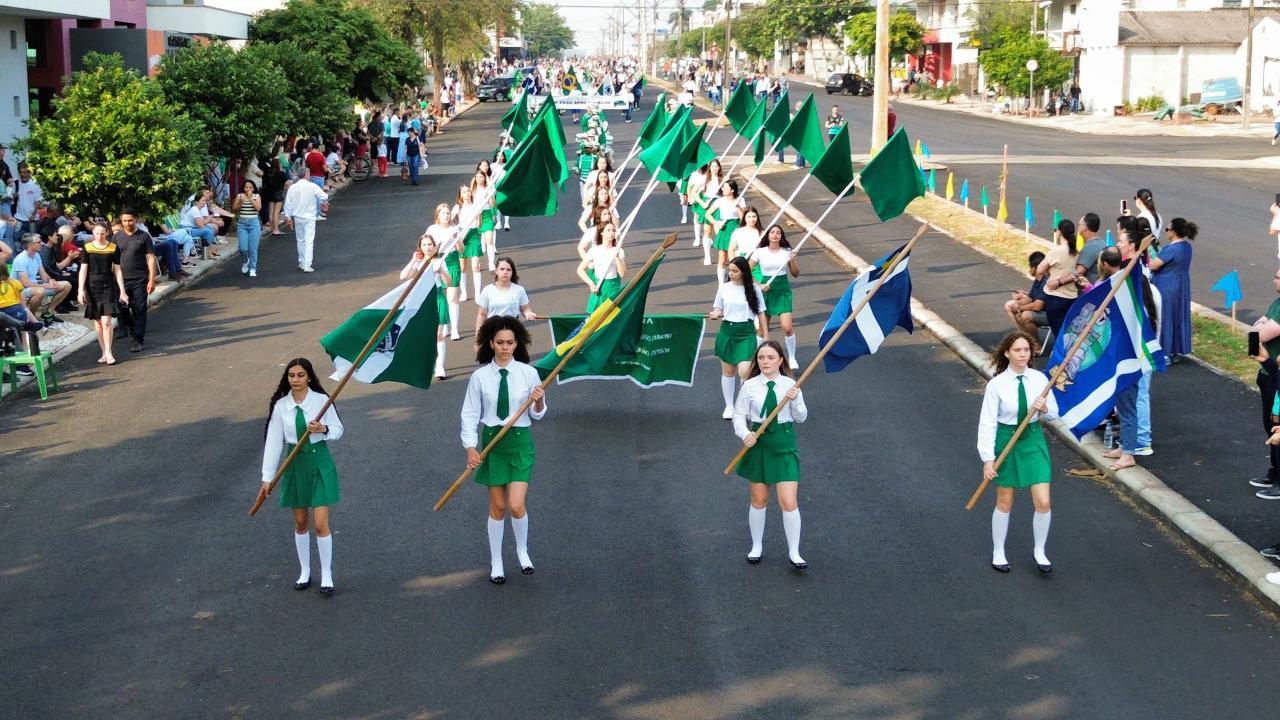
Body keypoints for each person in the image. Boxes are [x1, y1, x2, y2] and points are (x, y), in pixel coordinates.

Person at [460, 316, 548, 584]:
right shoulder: (479, 377)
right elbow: (469, 413)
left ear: (517, 343)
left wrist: (539, 401)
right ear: (491, 343)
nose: (505, 347)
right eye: (500, 342)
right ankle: (496, 561)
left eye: (510, 342)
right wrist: (470, 447)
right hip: (492, 441)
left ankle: (522, 551)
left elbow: (539, 415)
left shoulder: (528, 373)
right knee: (498, 507)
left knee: (516, 505)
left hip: (520, 441)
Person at [257, 358, 344, 595]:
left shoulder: (322, 401)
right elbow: (274, 443)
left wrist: (323, 429)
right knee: (301, 523)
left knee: (320, 524)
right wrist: (267, 478)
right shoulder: (281, 406)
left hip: (319, 464)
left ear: (309, 377)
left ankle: (327, 575)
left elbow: (338, 429)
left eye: (301, 375)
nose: (295, 380)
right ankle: (305, 571)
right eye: (291, 375)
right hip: (295, 465)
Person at [977, 331, 1059, 573]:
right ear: (1007, 353)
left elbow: (1054, 414)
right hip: (1006, 440)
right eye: (1017, 350)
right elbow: (987, 422)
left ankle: (1040, 551)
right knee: (1005, 500)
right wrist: (988, 459)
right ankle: (998, 551)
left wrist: (1044, 408)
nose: (1023, 354)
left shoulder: (1040, 379)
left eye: (1026, 350)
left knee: (1043, 501)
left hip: (1032, 439)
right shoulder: (997, 385)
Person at [733, 340, 809, 568]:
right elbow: (739, 415)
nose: (765, 362)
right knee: (759, 500)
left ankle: (794, 552)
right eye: (761, 358)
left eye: (770, 357)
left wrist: (795, 400)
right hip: (759, 445)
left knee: (789, 501)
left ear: (780, 360)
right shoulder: (749, 386)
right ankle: (756, 546)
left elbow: (801, 418)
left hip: (784, 446)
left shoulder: (791, 384)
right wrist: (745, 434)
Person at [710, 256, 768, 419]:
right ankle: (729, 406)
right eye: (730, 270)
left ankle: (744, 405)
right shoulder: (724, 288)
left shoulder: (754, 289)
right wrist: (716, 313)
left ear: (743, 272)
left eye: (735, 271)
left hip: (747, 333)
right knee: (728, 371)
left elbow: (761, 313)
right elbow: (718, 307)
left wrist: (765, 336)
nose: (731, 273)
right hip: (727, 332)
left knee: (745, 372)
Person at [400, 233, 454, 378]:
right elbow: (403, 276)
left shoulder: (439, 261)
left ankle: (440, 366)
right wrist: (413, 260)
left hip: (437, 298)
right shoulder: (418, 263)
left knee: (439, 335)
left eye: (430, 244)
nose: (427, 247)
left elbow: (449, 283)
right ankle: (427, 363)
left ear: (434, 246)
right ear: (420, 247)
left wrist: (440, 270)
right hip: (421, 300)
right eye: (424, 244)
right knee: (424, 335)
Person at [748, 224, 801, 369]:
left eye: (778, 232)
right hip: (766, 289)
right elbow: (747, 270)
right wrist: (759, 284)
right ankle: (757, 359)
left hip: (782, 289)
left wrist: (792, 260)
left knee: (787, 327)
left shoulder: (787, 251)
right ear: (768, 235)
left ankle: (792, 358)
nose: (775, 235)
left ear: (781, 236)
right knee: (762, 330)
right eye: (772, 232)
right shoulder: (760, 252)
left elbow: (796, 274)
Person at [77, 221, 127, 365]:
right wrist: (80, 290)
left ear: (107, 233)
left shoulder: (113, 248)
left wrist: (122, 291)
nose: (99, 236)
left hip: (108, 285)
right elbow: (83, 269)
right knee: (98, 322)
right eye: (97, 233)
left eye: (102, 234)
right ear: (93, 233)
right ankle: (103, 351)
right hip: (92, 286)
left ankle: (109, 351)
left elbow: (117, 269)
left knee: (106, 321)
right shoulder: (87, 248)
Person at [1251, 271, 1280, 510]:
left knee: (1276, 427)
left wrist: (1259, 328)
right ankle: (1274, 472)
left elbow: (1258, 333)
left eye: (1279, 277)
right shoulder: (1276, 303)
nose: (1275, 280)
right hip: (1268, 372)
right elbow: (1253, 333)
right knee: (1270, 426)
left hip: (1275, 377)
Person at [1149, 218, 1195, 358]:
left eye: (1167, 229)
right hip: (1181, 286)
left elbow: (1153, 265)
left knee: (1165, 317)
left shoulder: (1171, 249)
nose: (1166, 232)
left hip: (1166, 286)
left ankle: (1164, 351)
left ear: (1173, 232)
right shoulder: (1187, 247)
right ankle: (1175, 350)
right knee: (1177, 316)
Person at [113, 209, 157, 353]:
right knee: (121, 308)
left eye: (130, 220)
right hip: (121, 280)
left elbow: (151, 259)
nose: (127, 223)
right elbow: (112, 259)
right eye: (124, 221)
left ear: (136, 219)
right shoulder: (117, 237)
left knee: (139, 309)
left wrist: (151, 280)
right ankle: (131, 327)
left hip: (140, 279)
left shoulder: (144, 236)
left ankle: (137, 339)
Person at [1035, 218, 1081, 337]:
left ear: (1059, 232)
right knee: (1068, 332)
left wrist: (1049, 272)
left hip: (1055, 297)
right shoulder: (1076, 252)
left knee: (1057, 332)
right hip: (1072, 296)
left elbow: (1039, 270)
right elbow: (1075, 272)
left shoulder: (1056, 251)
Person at [12, 235, 71, 326]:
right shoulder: (20, 259)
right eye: (39, 242)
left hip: (33, 285)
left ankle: (48, 313)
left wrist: (50, 280)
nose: (42, 244)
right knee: (40, 291)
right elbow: (25, 283)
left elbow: (43, 274)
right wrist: (45, 285)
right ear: (31, 245)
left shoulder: (36, 255)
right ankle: (31, 317)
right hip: (19, 290)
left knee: (67, 285)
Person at [475, 256, 536, 340]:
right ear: (496, 271)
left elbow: (525, 308)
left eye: (508, 270)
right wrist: (478, 339)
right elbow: (482, 314)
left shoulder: (519, 290)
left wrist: (528, 313)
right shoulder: (487, 290)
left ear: (512, 272)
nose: (505, 272)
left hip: (513, 330)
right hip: (493, 331)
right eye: (502, 269)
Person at [426, 203, 463, 340]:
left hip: (452, 261)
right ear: (438, 215)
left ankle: (455, 329)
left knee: (452, 297)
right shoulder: (432, 229)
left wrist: (456, 239)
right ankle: (444, 324)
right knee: (441, 295)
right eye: (443, 213)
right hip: (437, 261)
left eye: (448, 213)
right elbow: (426, 247)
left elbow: (461, 249)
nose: (446, 215)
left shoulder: (455, 229)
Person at [282, 167, 329, 273]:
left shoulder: (293, 187)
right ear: (306, 174)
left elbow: (288, 203)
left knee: (300, 240)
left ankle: (302, 262)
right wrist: (324, 200)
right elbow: (324, 196)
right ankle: (307, 264)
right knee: (309, 241)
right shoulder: (312, 186)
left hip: (297, 217)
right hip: (309, 217)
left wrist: (288, 217)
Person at [577, 221, 625, 312]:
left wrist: (617, 257)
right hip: (599, 288)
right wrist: (591, 284)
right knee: (596, 318)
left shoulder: (619, 251)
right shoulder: (595, 250)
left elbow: (622, 274)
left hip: (613, 289)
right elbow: (580, 270)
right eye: (608, 230)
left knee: (613, 318)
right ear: (602, 233)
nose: (611, 233)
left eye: (613, 230)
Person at [1004, 251, 1048, 343]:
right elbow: (1030, 298)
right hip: (1041, 311)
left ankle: (1035, 344)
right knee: (1011, 306)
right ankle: (1025, 339)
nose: (1029, 270)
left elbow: (1037, 306)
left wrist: (1019, 308)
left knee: (1025, 315)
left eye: (1030, 267)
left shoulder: (1045, 281)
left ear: (1034, 268)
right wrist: (1016, 303)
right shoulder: (1038, 280)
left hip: (1050, 314)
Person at [453, 184, 484, 302]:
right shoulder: (458, 207)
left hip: (474, 235)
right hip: (462, 236)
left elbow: (479, 225)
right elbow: (450, 221)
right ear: (460, 195)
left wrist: (479, 214)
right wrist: (456, 230)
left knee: (475, 266)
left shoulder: (476, 205)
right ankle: (464, 293)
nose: (467, 194)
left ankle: (478, 294)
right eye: (464, 192)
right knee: (462, 267)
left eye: (468, 191)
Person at [711, 180, 744, 286]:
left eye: (725, 188)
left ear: (732, 190)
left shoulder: (740, 200)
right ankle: (721, 284)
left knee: (735, 259)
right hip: (724, 229)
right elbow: (708, 214)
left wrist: (738, 206)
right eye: (723, 187)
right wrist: (716, 222)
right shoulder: (720, 201)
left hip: (735, 228)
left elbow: (743, 218)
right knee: (722, 259)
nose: (722, 189)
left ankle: (735, 281)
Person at [232, 180, 263, 278]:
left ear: (253, 188)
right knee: (243, 248)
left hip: (254, 224)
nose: (248, 189)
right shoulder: (239, 196)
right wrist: (240, 201)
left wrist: (250, 198)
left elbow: (258, 208)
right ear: (243, 188)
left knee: (253, 248)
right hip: (242, 224)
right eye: (246, 187)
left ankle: (253, 268)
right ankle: (245, 261)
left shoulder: (256, 196)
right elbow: (234, 209)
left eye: (250, 187)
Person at [472, 170, 497, 270]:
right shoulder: (473, 190)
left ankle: (491, 263)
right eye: (477, 177)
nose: (479, 179)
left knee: (489, 240)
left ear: (484, 178)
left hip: (487, 216)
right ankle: (477, 263)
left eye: (481, 177)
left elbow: (493, 204)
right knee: (476, 242)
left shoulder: (488, 189)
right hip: (476, 216)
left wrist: (490, 197)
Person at [1074, 213, 1105, 283]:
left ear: (1086, 227)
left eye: (1079, 224)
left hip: (1090, 286)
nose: (1078, 227)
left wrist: (1059, 281)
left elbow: (1078, 272)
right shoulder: (1102, 243)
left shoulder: (1091, 246)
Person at [12, 164, 41, 236]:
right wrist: (14, 196)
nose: (22, 174)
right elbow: (11, 197)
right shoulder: (16, 183)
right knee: (17, 239)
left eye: (25, 172)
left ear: (29, 173)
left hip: (32, 219)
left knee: (32, 240)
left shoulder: (35, 185)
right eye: (21, 172)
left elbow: (38, 201)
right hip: (19, 218)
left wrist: (33, 214)